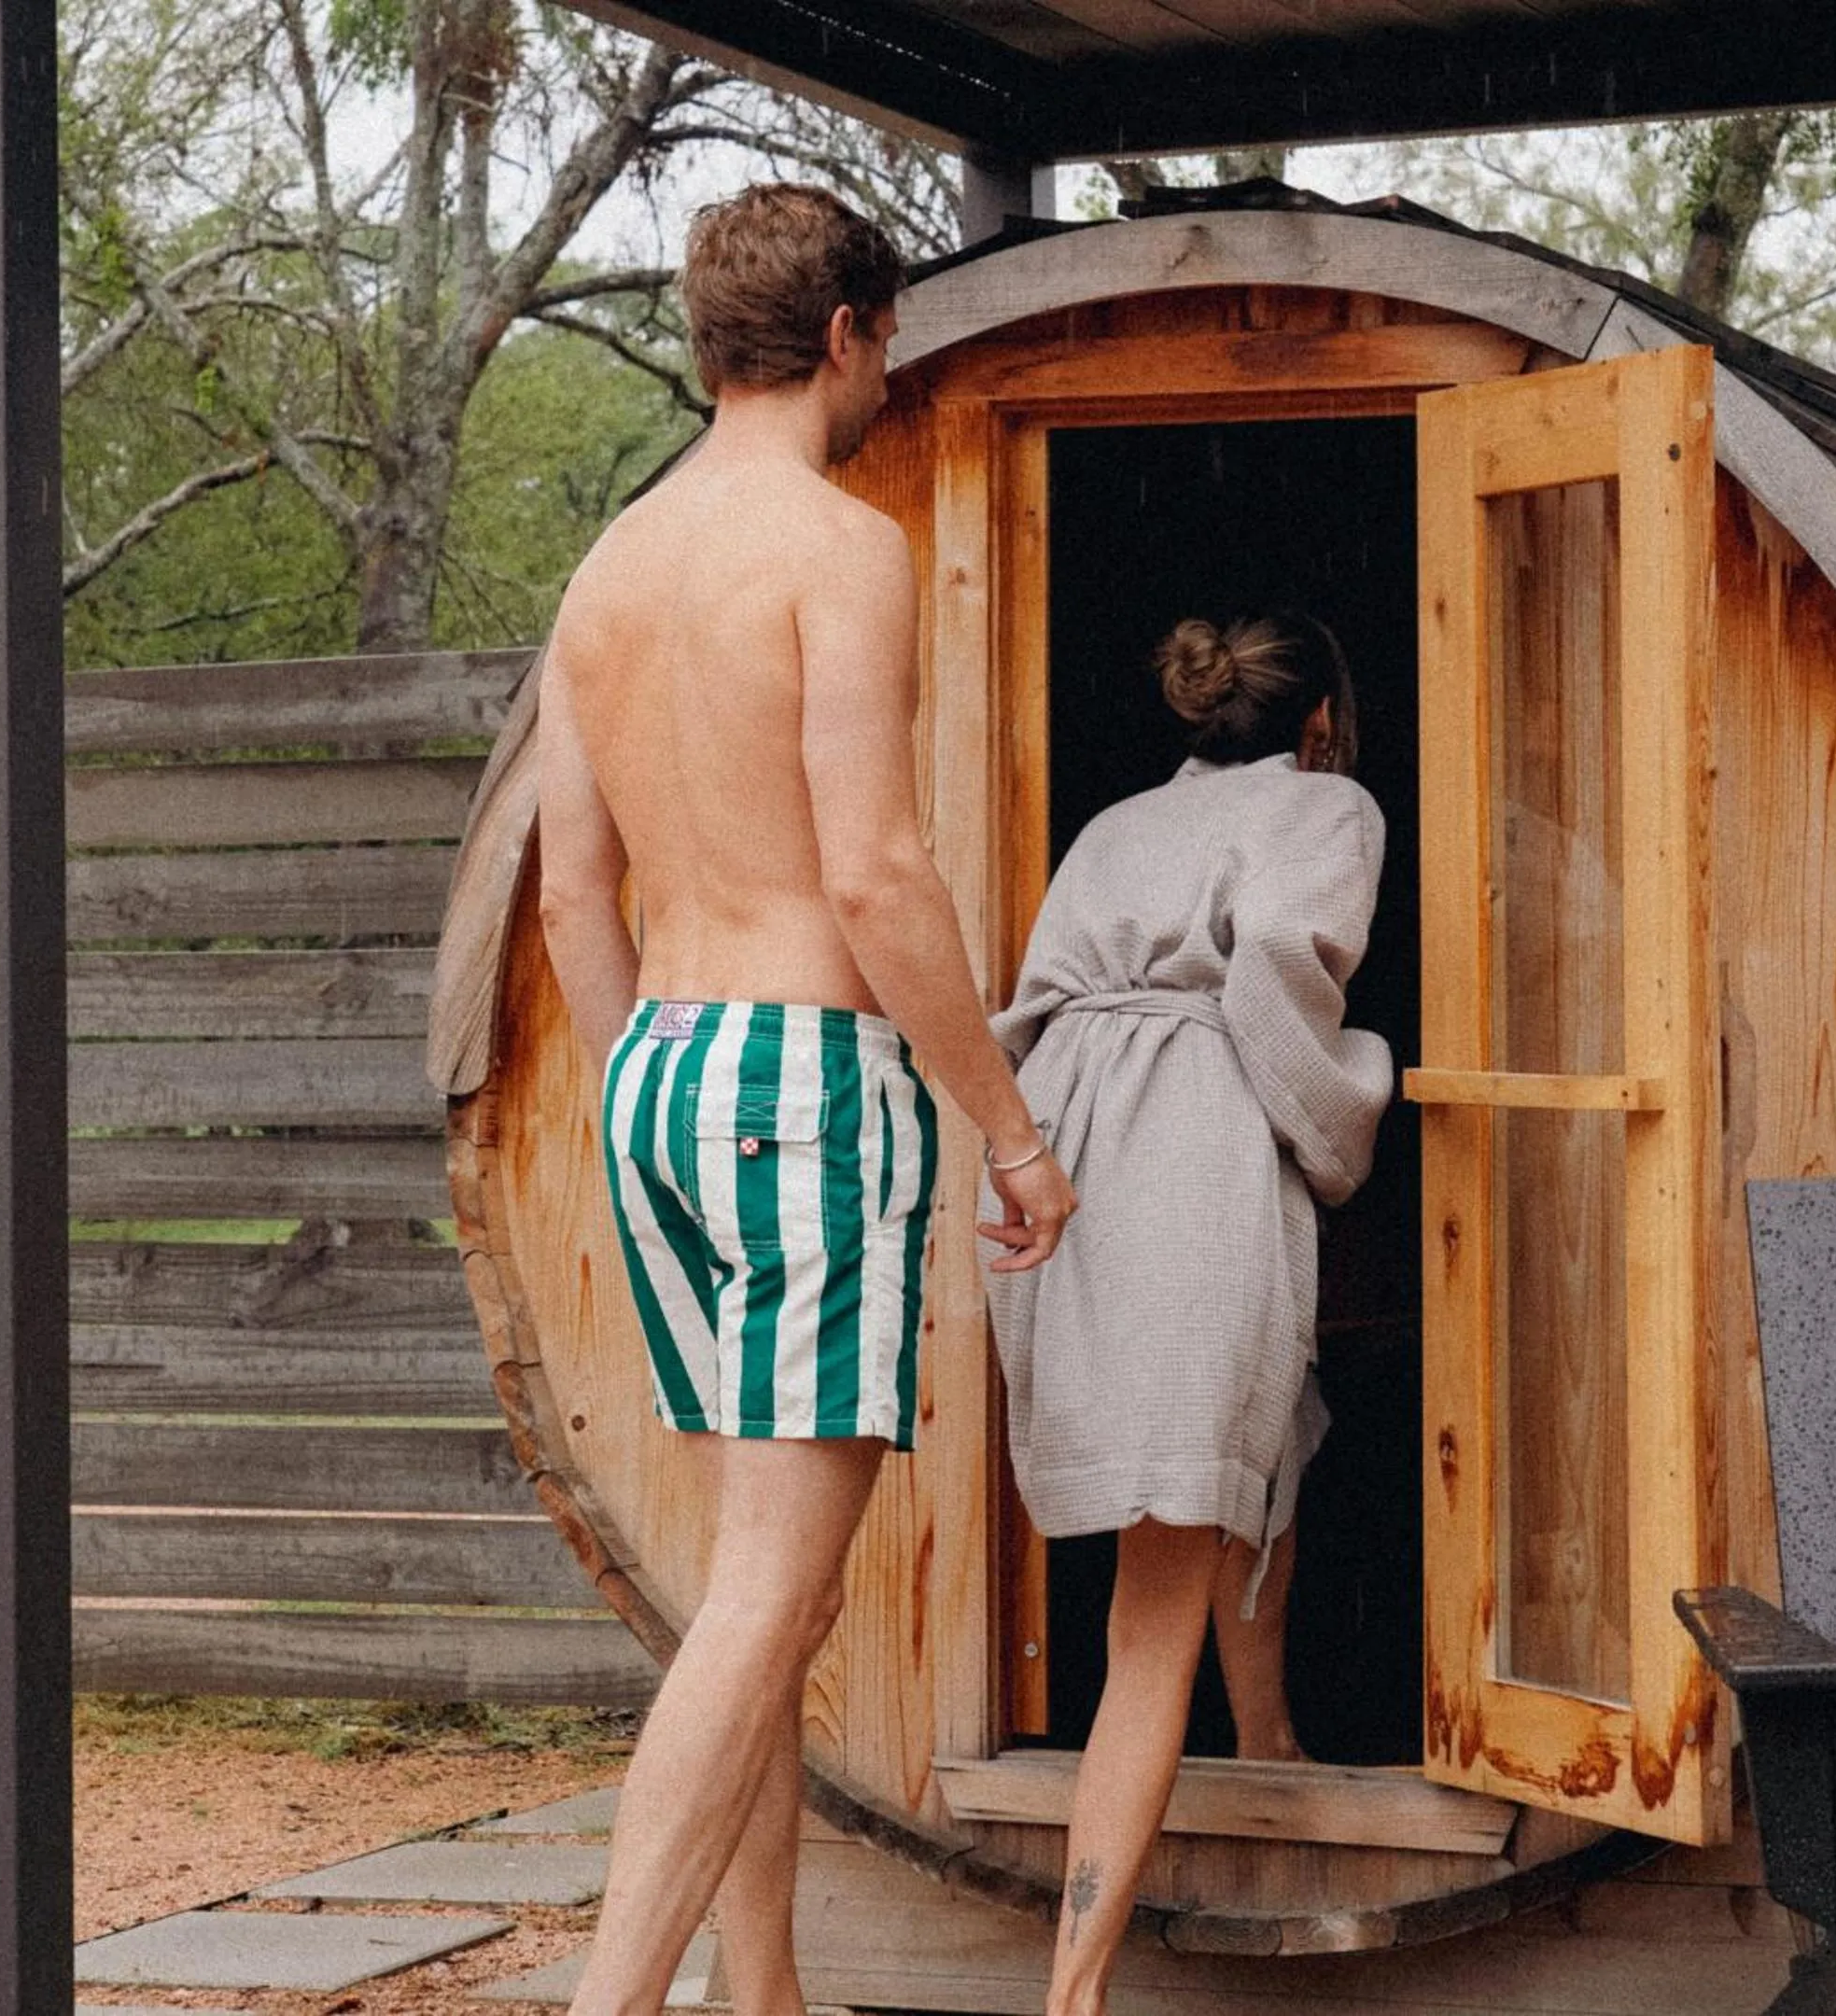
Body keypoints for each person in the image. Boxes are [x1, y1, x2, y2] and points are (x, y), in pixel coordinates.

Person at [534, 182, 1078, 2016]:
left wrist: (647, 1092)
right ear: (849, 336)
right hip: (795, 1076)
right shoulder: (838, 551)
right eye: (887, 344)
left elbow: (565, 897)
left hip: (664, 1068)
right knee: (771, 1594)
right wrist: (1007, 1125)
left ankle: (757, 1994)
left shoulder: (603, 576)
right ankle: (611, 2006)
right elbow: (877, 881)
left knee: (762, 1594)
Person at [983, 612, 1393, 2016]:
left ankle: (1269, 1742)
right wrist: (1353, 1094)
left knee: (1243, 1450)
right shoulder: (1331, 804)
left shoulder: (1108, 827)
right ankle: (1075, 1994)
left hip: (1069, 1144)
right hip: (1189, 1154)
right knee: (1153, 1597)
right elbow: (1281, 951)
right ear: (1319, 724)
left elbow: (1029, 1006)